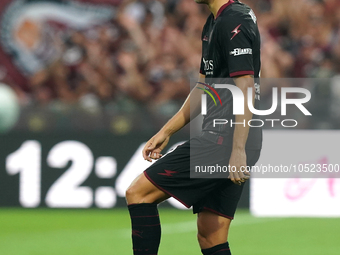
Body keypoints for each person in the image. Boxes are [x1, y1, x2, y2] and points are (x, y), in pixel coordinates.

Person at [125, 0, 262, 254]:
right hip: (231, 138)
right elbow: (203, 88)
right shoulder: (215, 21)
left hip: (225, 139)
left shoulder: (233, 21)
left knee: (139, 194)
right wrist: (166, 131)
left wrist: (238, 149)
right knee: (211, 235)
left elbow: (246, 88)